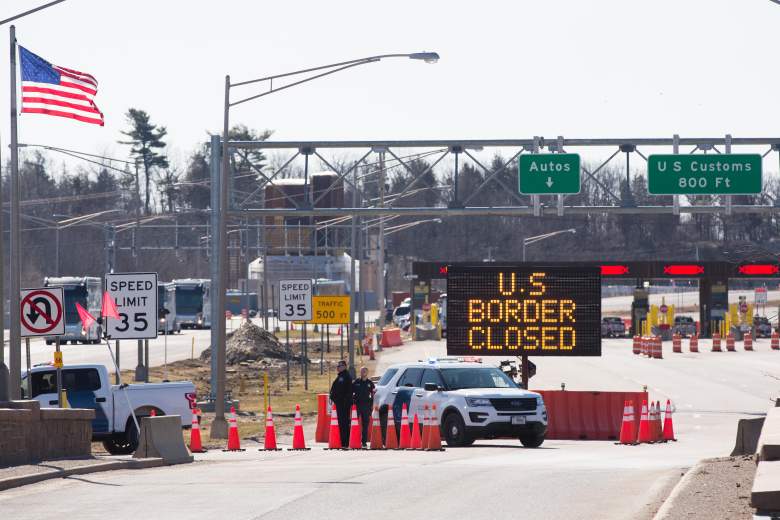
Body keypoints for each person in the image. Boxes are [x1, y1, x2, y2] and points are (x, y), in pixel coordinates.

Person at [329, 360, 352, 446]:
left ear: (345, 366)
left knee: (344, 423)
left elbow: (348, 391)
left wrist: (344, 401)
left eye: (340, 365)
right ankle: (343, 441)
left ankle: (345, 442)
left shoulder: (346, 376)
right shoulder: (340, 376)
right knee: (341, 423)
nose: (338, 367)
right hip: (339, 404)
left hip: (343, 404)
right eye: (338, 365)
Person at [352, 366, 375, 446]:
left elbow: (373, 394)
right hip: (357, 405)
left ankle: (364, 441)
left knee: (365, 425)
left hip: (366, 406)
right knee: (354, 423)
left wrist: (371, 405)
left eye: (364, 371)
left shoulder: (370, 383)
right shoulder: (356, 382)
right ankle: (354, 440)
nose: (363, 373)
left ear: (367, 372)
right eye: (362, 371)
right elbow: (351, 392)